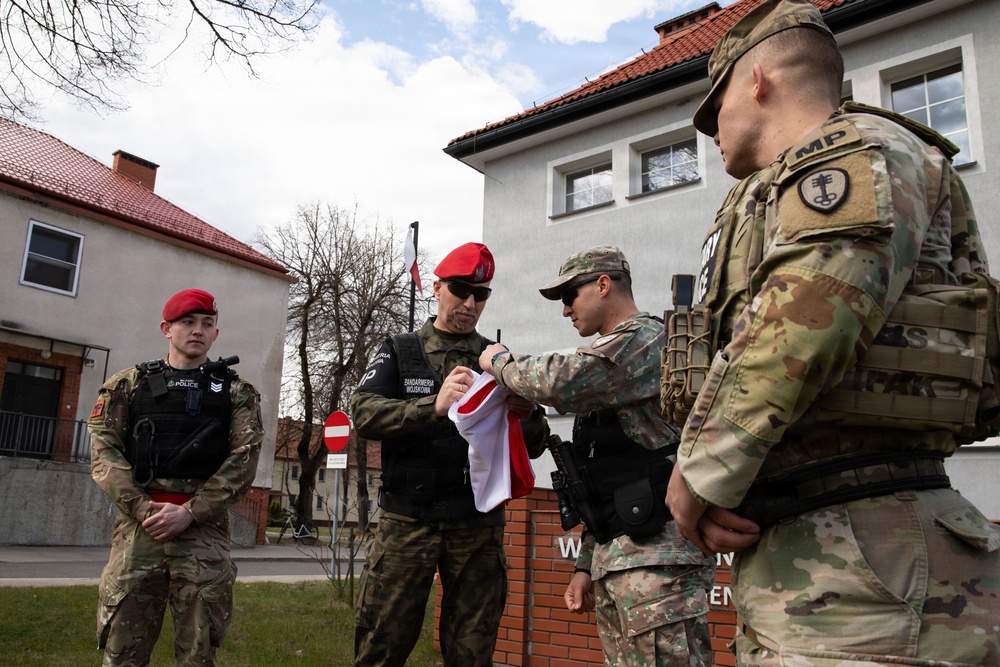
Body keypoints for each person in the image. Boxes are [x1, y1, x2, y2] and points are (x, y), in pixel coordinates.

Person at [663, 1, 1000, 665]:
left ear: (758, 78)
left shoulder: (861, 153)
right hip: (819, 549)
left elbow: (811, 314)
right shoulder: (768, 195)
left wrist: (697, 474)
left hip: (869, 559)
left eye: (715, 105)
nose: (711, 130)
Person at [479, 245, 714, 666]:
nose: (565, 310)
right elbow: (610, 479)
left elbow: (559, 380)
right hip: (620, 561)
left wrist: (501, 363)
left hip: (659, 566)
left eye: (569, 295)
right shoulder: (611, 370)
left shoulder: (644, 340)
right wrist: (587, 564)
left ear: (603, 285)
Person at [351, 242, 549, 667]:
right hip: (407, 523)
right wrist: (432, 407)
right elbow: (364, 414)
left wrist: (528, 414)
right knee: (381, 646)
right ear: (437, 288)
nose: (471, 303)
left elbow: (534, 444)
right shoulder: (399, 350)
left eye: (482, 295)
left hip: (476, 527)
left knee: (473, 652)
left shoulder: (498, 359)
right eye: (461, 290)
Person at [88, 288, 264, 666]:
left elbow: (243, 461)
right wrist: (142, 508)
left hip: (203, 535)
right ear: (166, 328)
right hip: (139, 534)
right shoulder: (127, 385)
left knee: (197, 656)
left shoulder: (236, 393)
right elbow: (103, 452)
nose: (198, 330)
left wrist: (190, 512)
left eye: (207, 323)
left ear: (216, 333)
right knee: (122, 652)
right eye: (188, 322)